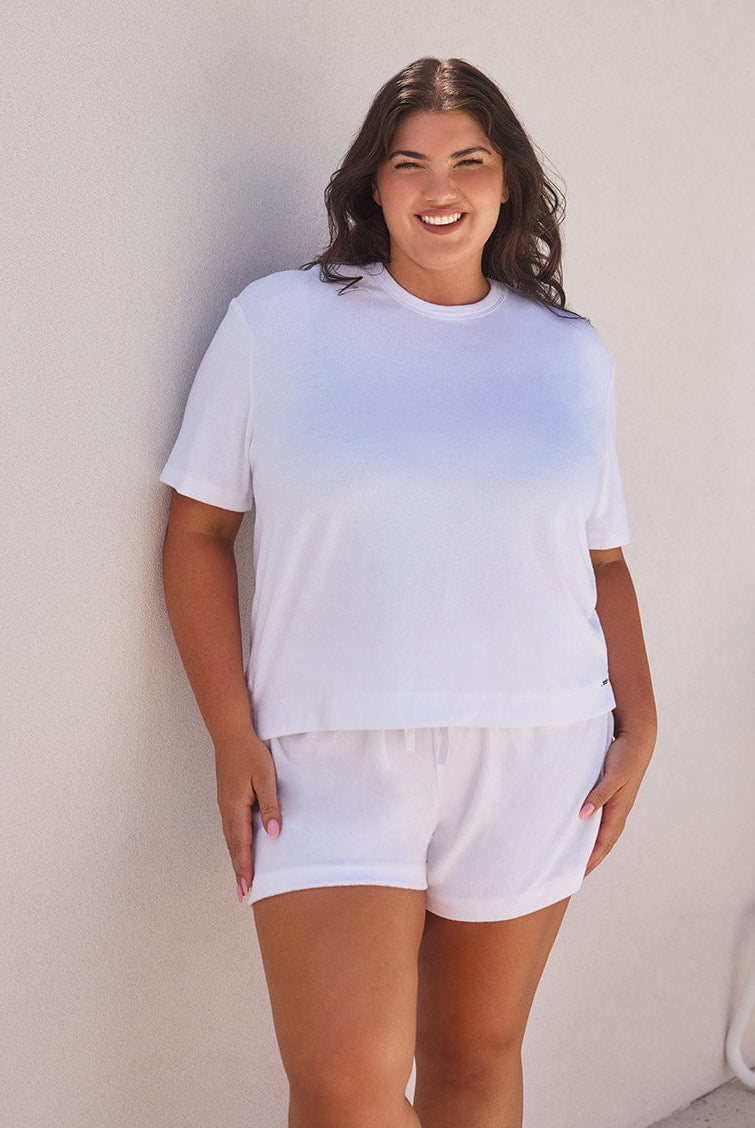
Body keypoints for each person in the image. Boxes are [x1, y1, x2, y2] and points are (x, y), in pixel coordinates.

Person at [159, 55, 657, 1128]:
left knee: (476, 1061)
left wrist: (641, 721)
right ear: (371, 186)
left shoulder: (568, 355)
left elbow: (602, 561)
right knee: (343, 1089)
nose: (441, 186)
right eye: (409, 162)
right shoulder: (276, 323)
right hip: (326, 758)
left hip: (537, 753)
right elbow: (197, 530)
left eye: (469, 160)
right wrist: (229, 733)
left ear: (507, 183)